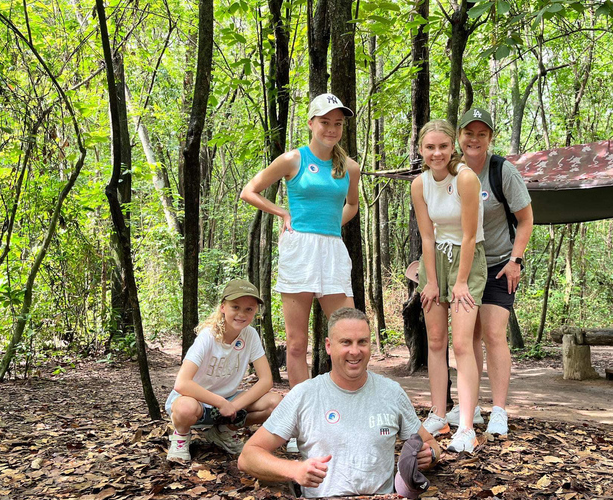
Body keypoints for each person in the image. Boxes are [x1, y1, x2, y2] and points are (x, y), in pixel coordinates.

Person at [240, 93, 360, 451]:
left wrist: (330, 225)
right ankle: (300, 424)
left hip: (332, 251)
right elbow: (250, 191)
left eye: (338, 123)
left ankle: (348, 415)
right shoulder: (293, 159)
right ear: (311, 123)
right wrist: (284, 215)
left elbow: (351, 204)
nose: (332, 129)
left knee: (348, 334)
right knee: (296, 344)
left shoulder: (349, 167)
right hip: (299, 250)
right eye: (325, 121)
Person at [238, 308, 440, 498]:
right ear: (328, 346)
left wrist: (430, 455)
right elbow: (248, 456)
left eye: (362, 342)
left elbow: (430, 443)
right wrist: (294, 470)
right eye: (346, 342)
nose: (355, 351)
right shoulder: (305, 395)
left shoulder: (391, 392)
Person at [445, 107, 533, 435]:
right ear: (460, 136)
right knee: (468, 337)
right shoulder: (449, 169)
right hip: (463, 266)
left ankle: (499, 410)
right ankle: (472, 408)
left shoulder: (502, 172)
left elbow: (525, 220)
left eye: (482, 134)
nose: (475, 139)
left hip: (498, 264)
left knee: (494, 334)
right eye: (469, 133)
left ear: (490, 138)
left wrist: (516, 260)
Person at [411, 119, 487, 454]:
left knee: (461, 344)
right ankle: (439, 413)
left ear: (452, 147)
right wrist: (429, 280)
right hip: (436, 260)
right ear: (421, 150)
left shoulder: (465, 178)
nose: (437, 153)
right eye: (430, 147)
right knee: (436, 340)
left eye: (443, 146)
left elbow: (470, 235)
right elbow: (427, 236)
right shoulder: (420, 184)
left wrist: (459, 282)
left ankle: (467, 427)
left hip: (467, 261)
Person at [165, 279, 282, 464]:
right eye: (235, 307)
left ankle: (223, 432)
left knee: (275, 403)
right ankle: (180, 437)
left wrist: (233, 406)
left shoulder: (250, 335)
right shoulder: (208, 336)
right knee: (185, 408)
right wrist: (220, 403)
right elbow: (182, 383)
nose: (241, 314)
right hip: (196, 401)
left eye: (249, 309)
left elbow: (266, 380)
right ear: (223, 307)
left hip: (229, 401)